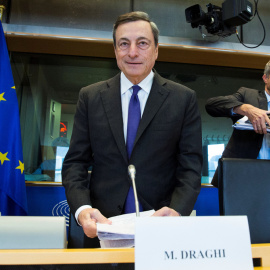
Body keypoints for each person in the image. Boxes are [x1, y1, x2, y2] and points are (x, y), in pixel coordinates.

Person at [62, 11, 202, 248]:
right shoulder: (90, 96)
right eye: (124, 44)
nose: (133, 52)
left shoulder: (183, 99)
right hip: (102, 229)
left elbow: (190, 166)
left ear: (156, 50)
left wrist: (177, 210)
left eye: (142, 43)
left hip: (161, 231)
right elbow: (75, 162)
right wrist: (83, 210)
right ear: (115, 51)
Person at [205, 60, 270, 188]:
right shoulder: (247, 95)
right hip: (242, 178)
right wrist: (245, 108)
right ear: (265, 78)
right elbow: (211, 105)